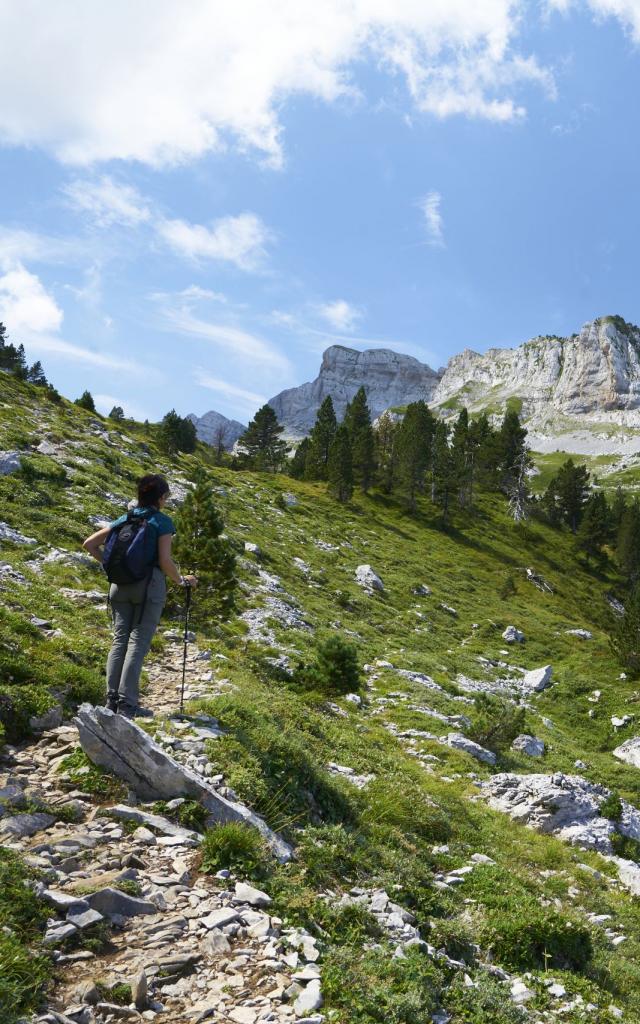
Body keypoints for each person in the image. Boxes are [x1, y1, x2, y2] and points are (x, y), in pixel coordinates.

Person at [82, 473, 197, 718]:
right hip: (148, 587)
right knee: (138, 642)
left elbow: (89, 544)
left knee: (119, 639)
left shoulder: (124, 519)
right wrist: (181, 581)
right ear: (161, 497)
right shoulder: (162, 522)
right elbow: (165, 561)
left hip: (118, 585)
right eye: (166, 496)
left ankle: (111, 700)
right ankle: (127, 705)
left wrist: (110, 566)